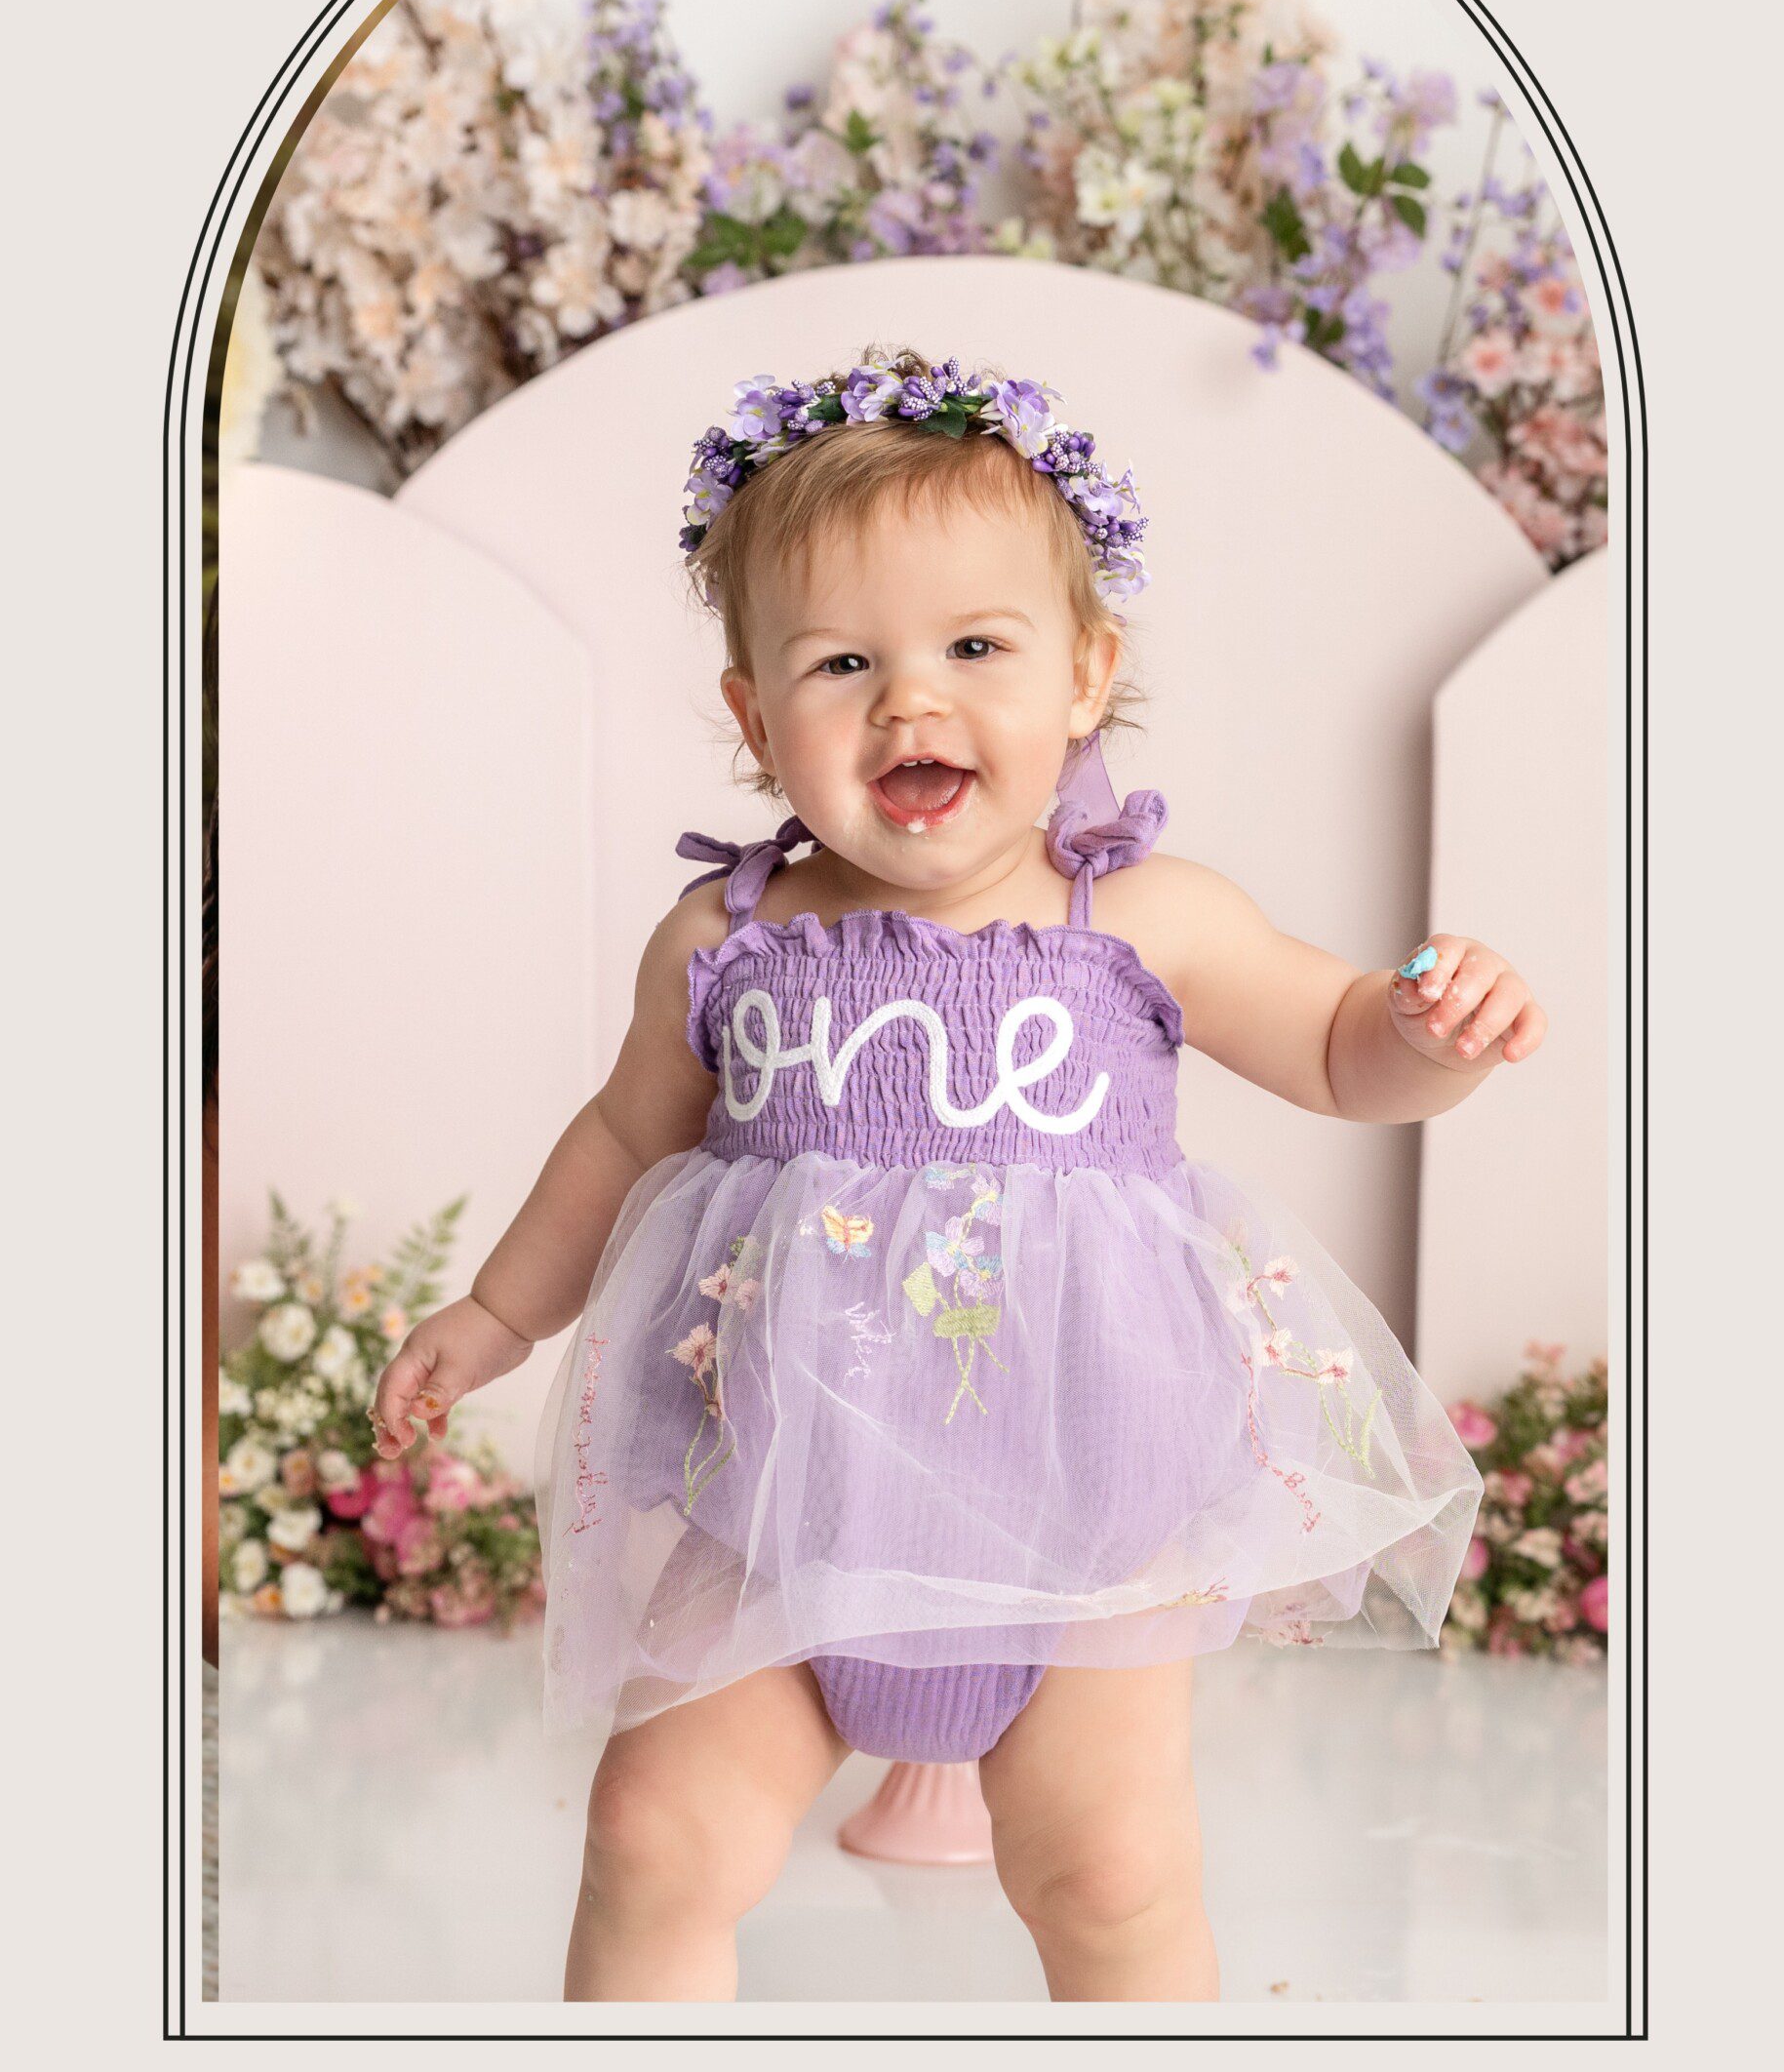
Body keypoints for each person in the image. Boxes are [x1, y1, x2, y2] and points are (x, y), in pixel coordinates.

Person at [370, 345, 1542, 2004]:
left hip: (1089, 1533)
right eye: (841, 662)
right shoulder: (726, 940)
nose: (909, 702)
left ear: (1083, 675)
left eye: (974, 648)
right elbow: (629, 1136)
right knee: (653, 1840)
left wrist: (1434, 1027)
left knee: (1109, 1876)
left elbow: (1342, 1048)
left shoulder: (1139, 918)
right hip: (776, 1511)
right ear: (752, 715)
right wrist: (497, 1313)